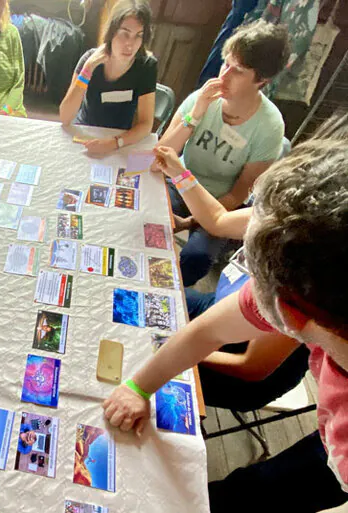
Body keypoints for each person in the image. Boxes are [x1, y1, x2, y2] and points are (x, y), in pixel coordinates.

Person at [104, 116, 348, 513]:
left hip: (330, 438)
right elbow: (207, 330)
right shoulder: (305, 272)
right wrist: (138, 387)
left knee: (254, 495)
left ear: (288, 314)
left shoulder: (296, 294)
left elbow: (248, 363)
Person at [154, 145, 308, 411]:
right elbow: (217, 219)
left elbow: (250, 367)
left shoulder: (303, 282)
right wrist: (179, 174)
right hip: (221, 309)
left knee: (146, 359)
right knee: (150, 298)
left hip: (240, 370)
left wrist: (174, 347)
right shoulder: (281, 216)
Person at [157, 19, 289, 287]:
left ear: (261, 80)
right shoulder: (201, 97)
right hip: (181, 181)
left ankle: (170, 290)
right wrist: (196, 113)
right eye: (225, 63)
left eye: (238, 71)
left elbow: (238, 194)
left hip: (220, 201)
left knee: (197, 257)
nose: (224, 76)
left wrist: (191, 222)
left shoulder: (269, 127)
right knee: (142, 218)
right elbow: (163, 153)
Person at [59, 0, 157, 157]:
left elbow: (146, 124)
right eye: (125, 33)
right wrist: (87, 70)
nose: (130, 45)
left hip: (119, 138)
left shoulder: (146, 65)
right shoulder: (89, 60)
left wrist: (114, 142)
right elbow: (65, 117)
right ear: (112, 32)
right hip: (85, 131)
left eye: (138, 36)